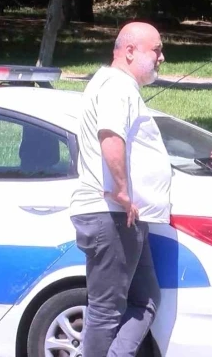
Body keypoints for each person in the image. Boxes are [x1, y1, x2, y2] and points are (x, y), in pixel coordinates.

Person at [69, 22, 170, 357]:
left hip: (123, 217)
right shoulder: (116, 85)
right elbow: (111, 136)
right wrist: (123, 191)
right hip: (111, 214)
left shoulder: (116, 85)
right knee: (106, 311)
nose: (161, 57)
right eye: (156, 50)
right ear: (129, 51)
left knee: (146, 299)